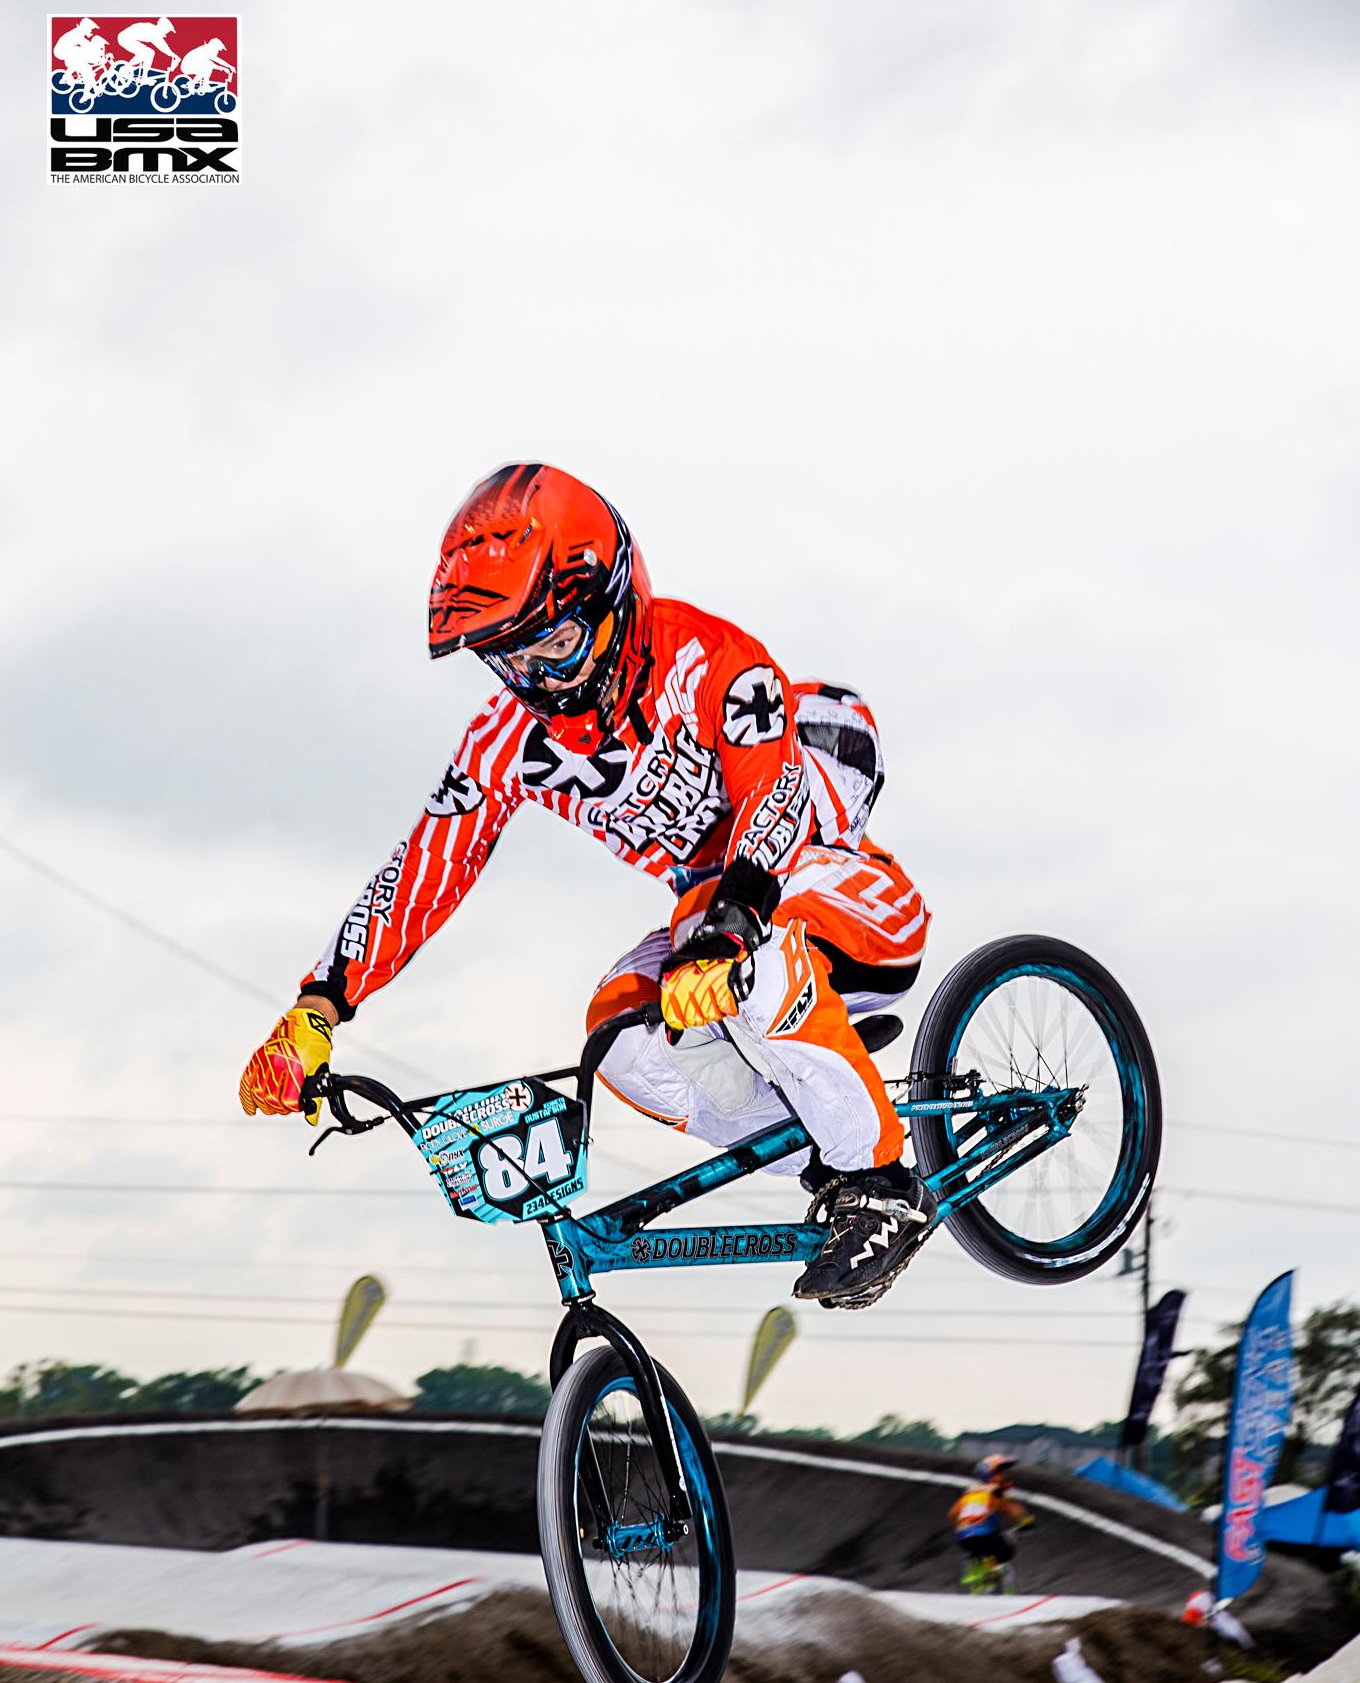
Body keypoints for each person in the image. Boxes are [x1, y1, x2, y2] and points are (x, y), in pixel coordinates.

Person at [239, 464, 935, 1306]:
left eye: (556, 645)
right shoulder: (507, 740)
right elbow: (424, 869)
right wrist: (320, 1004)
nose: (539, 679)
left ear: (613, 604)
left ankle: (884, 1187)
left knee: (716, 937)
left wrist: (730, 927)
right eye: (509, 657)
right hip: (717, 938)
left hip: (844, 902)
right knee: (618, 1030)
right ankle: (826, 1152)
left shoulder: (709, 659)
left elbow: (775, 795)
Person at [949, 1455, 1034, 1576]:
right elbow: (1012, 1509)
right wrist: (1026, 1521)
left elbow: (952, 1514)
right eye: (1000, 1473)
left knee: (976, 1548)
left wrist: (961, 1526)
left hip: (963, 1537)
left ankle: (976, 1568)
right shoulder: (995, 1491)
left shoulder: (968, 1492)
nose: (1005, 1476)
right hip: (987, 1536)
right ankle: (993, 1571)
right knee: (1007, 1552)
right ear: (989, 1475)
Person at [116, 16, 177, 81]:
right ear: (163, 27)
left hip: (125, 37)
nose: (167, 32)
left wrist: (172, 54)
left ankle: (142, 76)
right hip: (125, 38)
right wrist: (173, 55)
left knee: (148, 53)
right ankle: (125, 69)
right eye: (168, 30)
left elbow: (163, 45)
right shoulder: (154, 31)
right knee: (148, 53)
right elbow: (162, 46)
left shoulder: (154, 30)